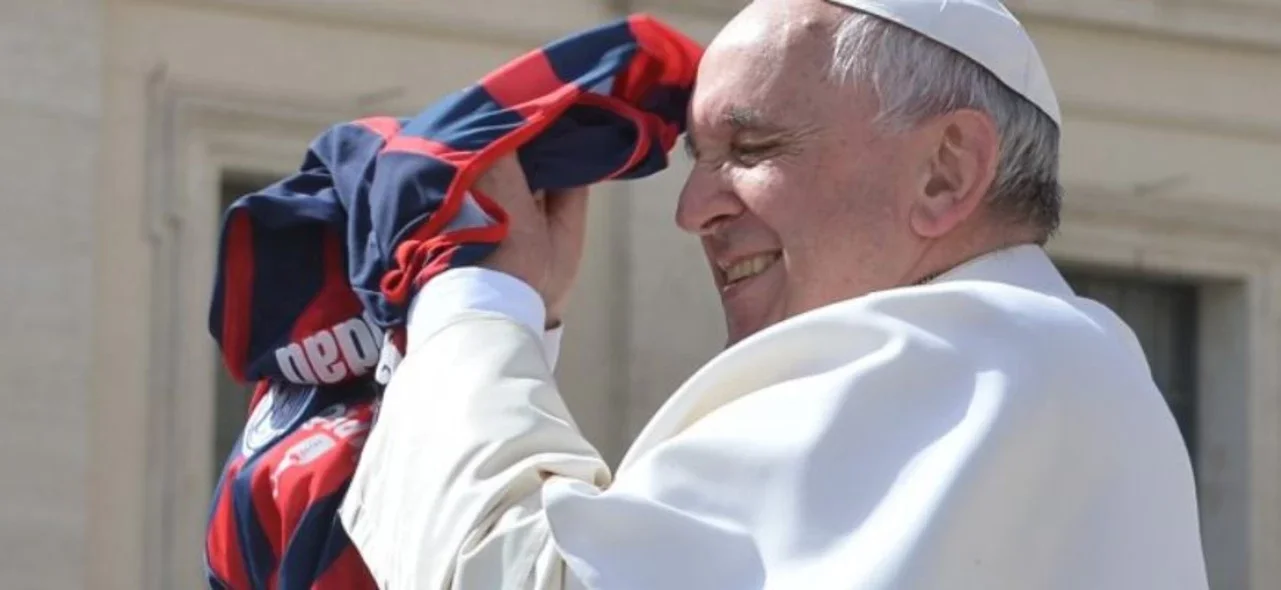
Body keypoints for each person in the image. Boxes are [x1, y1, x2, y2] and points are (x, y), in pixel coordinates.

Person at [337, 0, 1210, 588]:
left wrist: (475, 301)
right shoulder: (1042, 364)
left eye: (750, 150)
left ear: (944, 172)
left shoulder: (981, 357)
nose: (691, 210)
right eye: (696, 161)